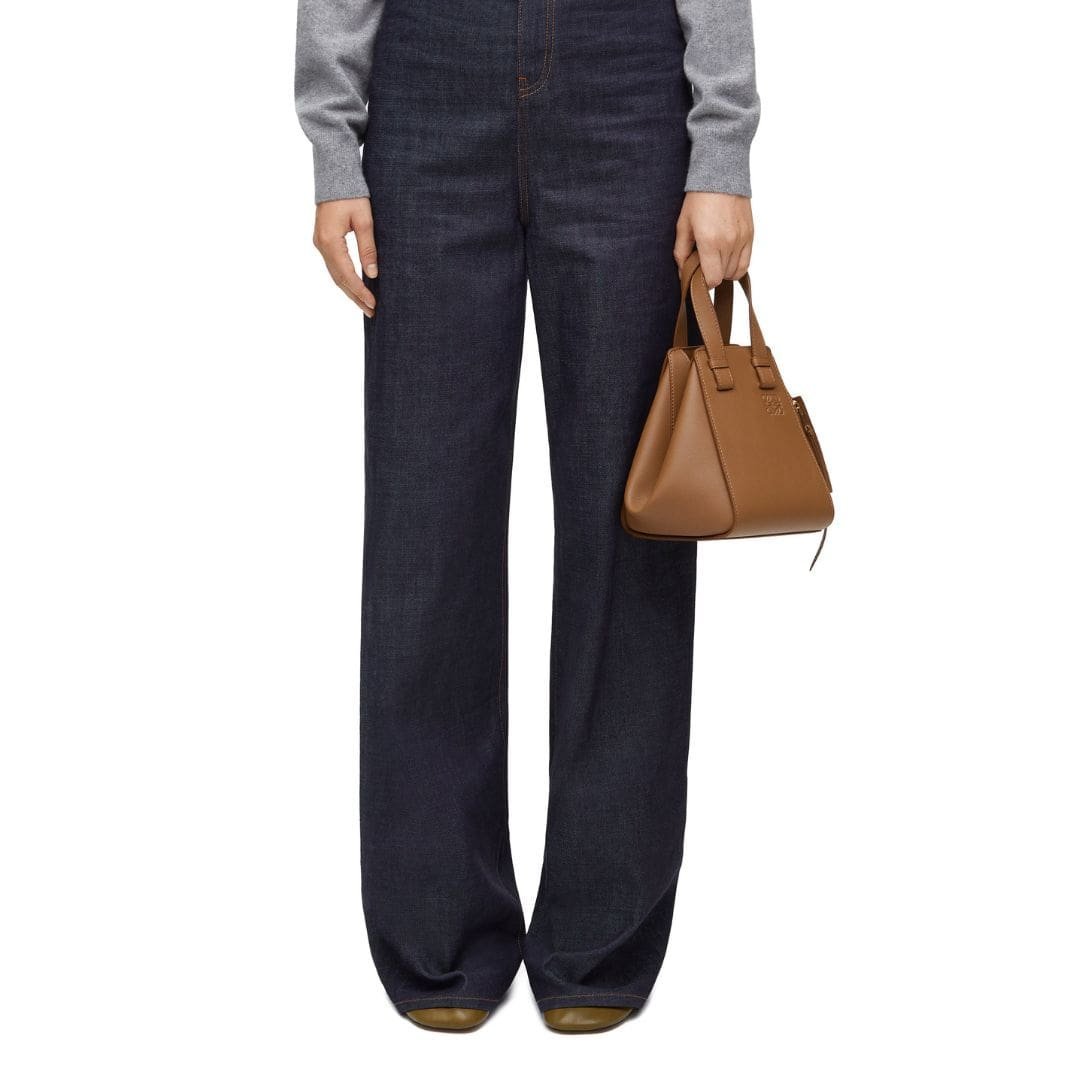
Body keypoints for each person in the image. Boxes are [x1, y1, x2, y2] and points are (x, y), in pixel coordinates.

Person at [295, 0, 759, 1033]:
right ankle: (440, 934)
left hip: (626, 83)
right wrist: (333, 148)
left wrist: (721, 146)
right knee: (425, 532)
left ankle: (599, 937)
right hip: (426, 83)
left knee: (630, 524)